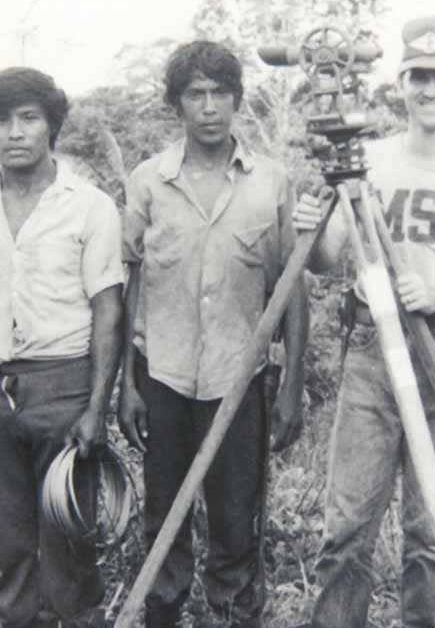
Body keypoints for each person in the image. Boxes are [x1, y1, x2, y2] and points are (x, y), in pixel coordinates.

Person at [293, 15, 435, 627]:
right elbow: (323, 262)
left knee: (432, 531)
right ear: (400, 83)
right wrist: (309, 225)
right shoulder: (367, 157)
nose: (431, 90)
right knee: (347, 526)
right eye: (420, 76)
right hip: (374, 347)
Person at [119, 40, 307, 627]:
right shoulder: (149, 182)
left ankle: (232, 615)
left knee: (235, 519)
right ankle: (163, 612)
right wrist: (129, 384)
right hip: (165, 376)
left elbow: (292, 287)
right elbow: (131, 285)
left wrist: (293, 384)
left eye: (220, 93)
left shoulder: (270, 182)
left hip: (239, 378)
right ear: (177, 104)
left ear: (237, 100)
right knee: (163, 517)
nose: (209, 107)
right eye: (195, 94)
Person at [0, 67, 124, 628]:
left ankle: (77, 619)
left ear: (52, 125)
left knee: (67, 529)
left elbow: (107, 307)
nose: (15, 133)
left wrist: (97, 407)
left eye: (29, 118)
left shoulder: (90, 205)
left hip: (64, 383)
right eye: (1, 120)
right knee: (5, 532)